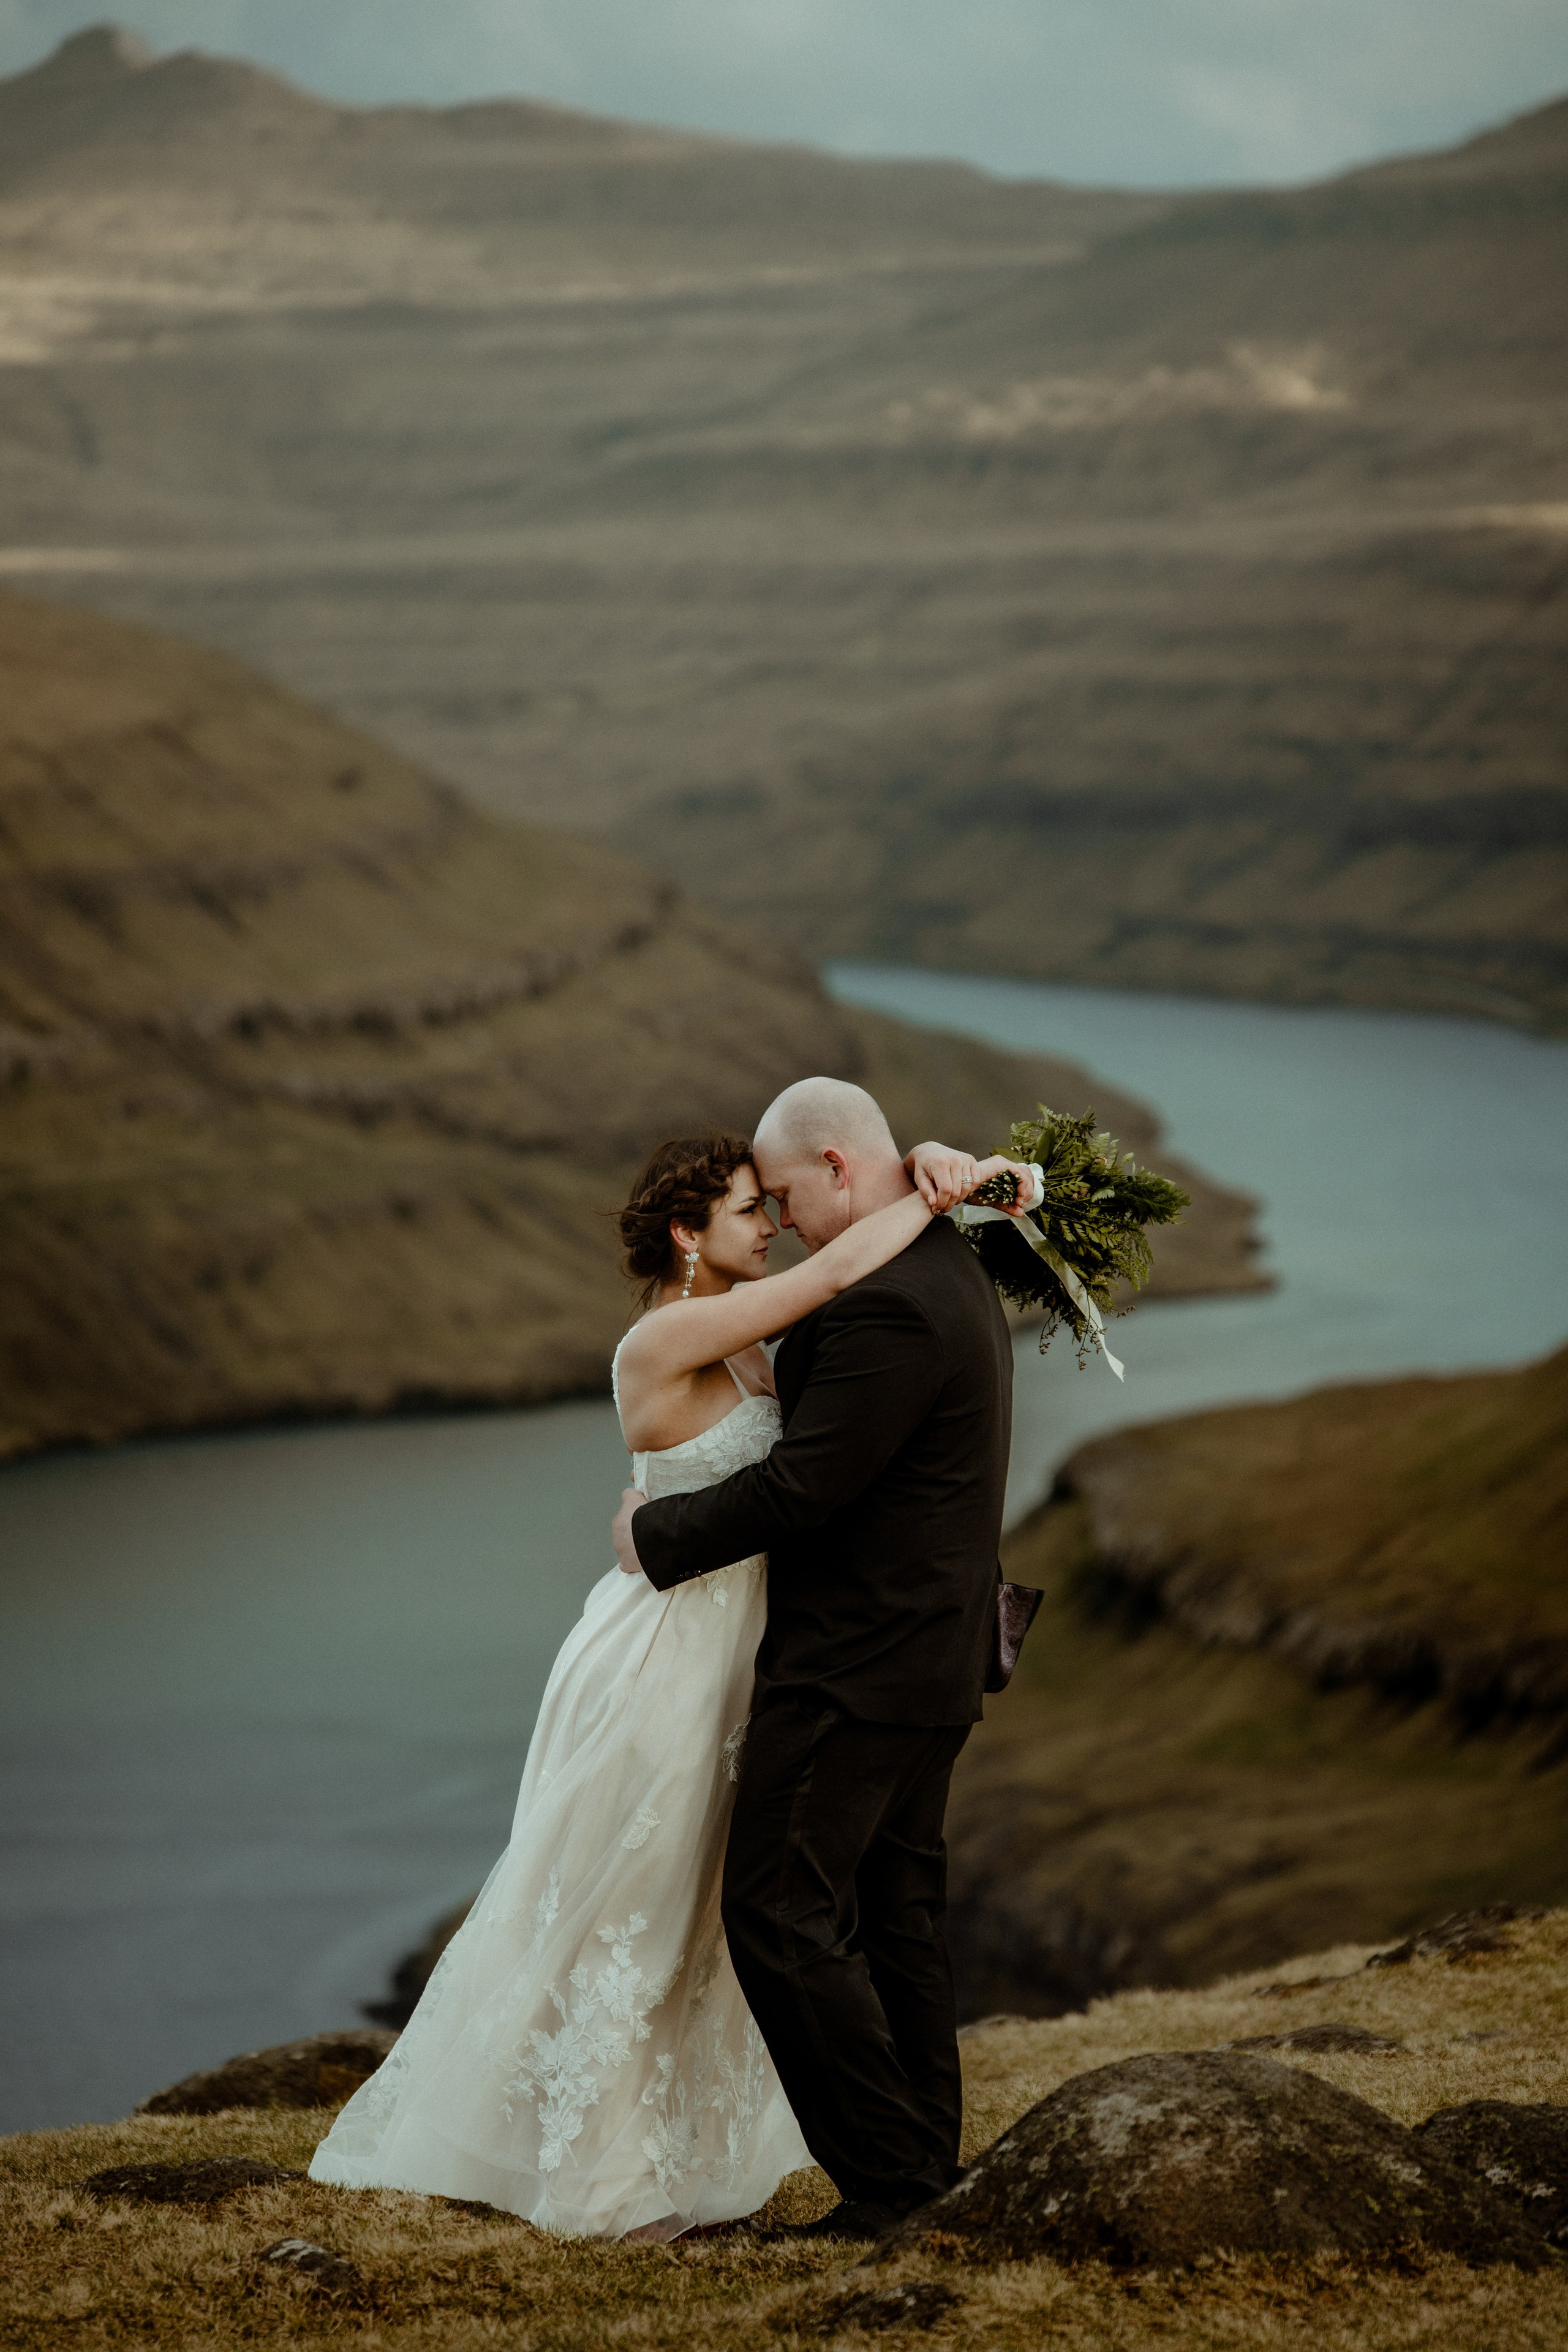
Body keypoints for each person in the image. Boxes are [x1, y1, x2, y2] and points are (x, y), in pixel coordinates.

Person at [308, 1115, 1023, 2240]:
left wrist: (956, 1171)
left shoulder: (756, 1336)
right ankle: (609, 2171)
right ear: (690, 1234)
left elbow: (819, 1431)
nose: (776, 1223)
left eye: (777, 1199)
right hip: (673, 1656)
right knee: (636, 1907)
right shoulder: (669, 1340)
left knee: (727, 1912)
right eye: (752, 1208)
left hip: (765, 1653)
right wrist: (939, 1189)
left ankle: (845, 2168)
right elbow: (841, 1268)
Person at [611, 1076, 1018, 2242]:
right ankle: (924, 2174)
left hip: (859, 1667)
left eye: (783, 1194)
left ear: (838, 1168)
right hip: (931, 1660)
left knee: (780, 1915)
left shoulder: (891, 1298)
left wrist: (651, 1534)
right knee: (895, 1917)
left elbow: (805, 1487)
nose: (779, 1220)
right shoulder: (948, 1259)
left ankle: (893, 2186)